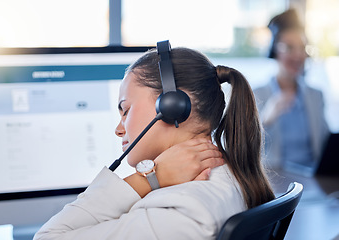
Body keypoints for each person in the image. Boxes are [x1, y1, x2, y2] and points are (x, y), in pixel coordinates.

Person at [34, 44, 274, 240]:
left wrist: (147, 179)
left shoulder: (178, 213)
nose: (119, 130)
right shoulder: (231, 175)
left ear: (173, 106)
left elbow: (48, 236)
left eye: (125, 110)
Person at [254, 9, 329, 173]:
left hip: (314, 179)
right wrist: (266, 119)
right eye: (289, 48)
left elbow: (326, 146)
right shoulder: (255, 95)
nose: (298, 55)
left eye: (302, 48)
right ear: (274, 50)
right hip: (275, 181)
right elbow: (242, 148)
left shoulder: (316, 96)